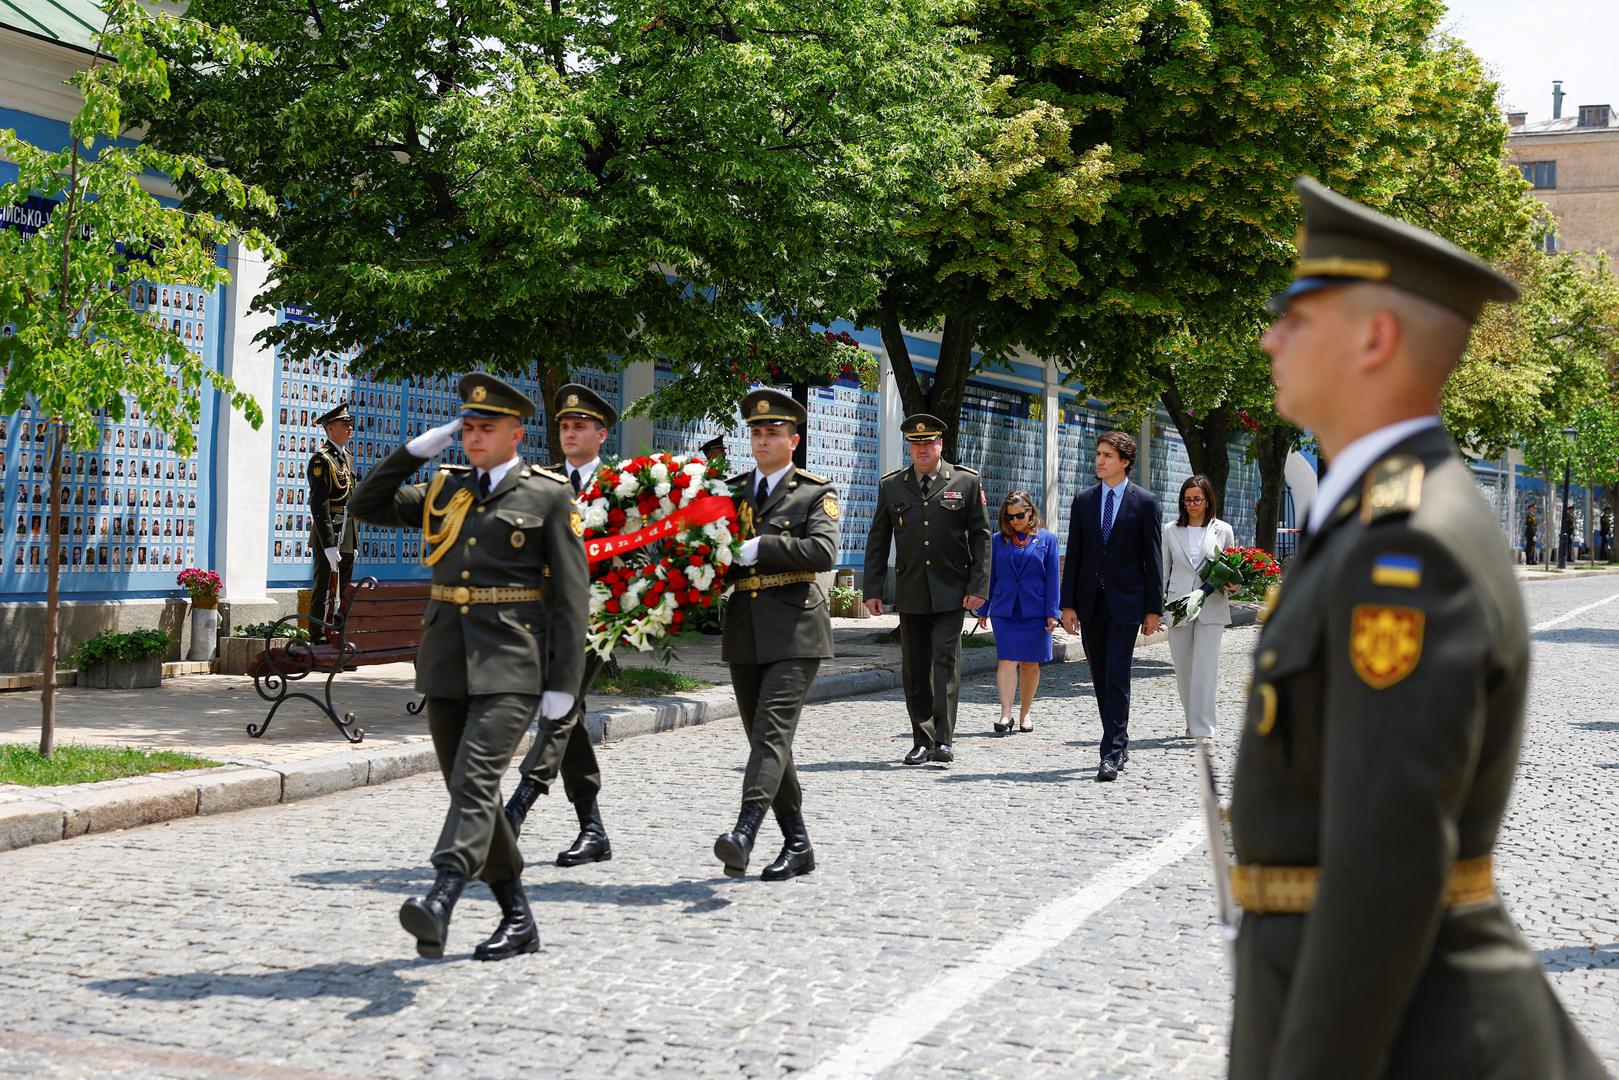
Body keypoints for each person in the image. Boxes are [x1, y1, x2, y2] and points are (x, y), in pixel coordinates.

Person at [1229, 177, 1605, 1077]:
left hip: (1409, 1031)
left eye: (1294, 313)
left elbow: (1387, 865)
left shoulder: (1407, 547)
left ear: (1374, 336)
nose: (1269, 335)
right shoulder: (1372, 516)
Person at [348, 374, 589, 962]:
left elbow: (571, 598)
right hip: (447, 659)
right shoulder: (444, 488)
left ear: (517, 433)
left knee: (477, 782)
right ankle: (518, 918)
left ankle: (441, 895)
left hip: (512, 661)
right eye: (469, 428)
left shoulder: (549, 495)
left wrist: (564, 686)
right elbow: (364, 504)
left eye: (488, 428)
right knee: (468, 789)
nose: (475, 438)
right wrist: (410, 453)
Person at [713, 388, 838, 880]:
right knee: (768, 742)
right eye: (757, 433)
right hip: (745, 630)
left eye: (773, 433)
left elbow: (822, 553)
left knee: (770, 735)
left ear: (794, 440)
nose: (763, 441)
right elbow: (716, 558)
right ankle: (799, 844)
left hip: (796, 630)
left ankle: (744, 831)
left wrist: (764, 545)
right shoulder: (733, 490)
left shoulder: (814, 492)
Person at [504, 382, 618, 867]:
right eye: (564, 426)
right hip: (543, 616)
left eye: (580, 426)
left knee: (559, 707)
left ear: (601, 434)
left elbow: (638, 556)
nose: (570, 433)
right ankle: (593, 830)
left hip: (594, 618)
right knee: (568, 719)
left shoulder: (625, 487)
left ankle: (515, 811)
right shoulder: (541, 482)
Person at [861, 414, 990, 765]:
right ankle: (922, 738)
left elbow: (981, 538)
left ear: (940, 445)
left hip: (952, 590)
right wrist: (872, 588)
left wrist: (979, 586)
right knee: (915, 668)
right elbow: (878, 540)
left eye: (928, 442)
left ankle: (944, 739)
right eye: (915, 444)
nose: (921, 449)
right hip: (911, 589)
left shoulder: (964, 481)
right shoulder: (893, 486)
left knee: (945, 663)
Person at [1059, 430, 1163, 782]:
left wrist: (1154, 609)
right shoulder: (1084, 500)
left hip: (1126, 603)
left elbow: (1153, 558)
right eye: (1098, 454)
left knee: (1117, 675)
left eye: (1107, 455)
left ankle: (1112, 751)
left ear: (1125, 462)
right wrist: (1067, 604)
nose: (1099, 461)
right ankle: (1119, 738)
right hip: (1091, 603)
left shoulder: (1145, 502)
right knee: (1100, 676)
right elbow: (1075, 555)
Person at [975, 490, 1060, 734]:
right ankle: (1005, 714)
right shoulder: (997, 539)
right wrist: (984, 607)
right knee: (1006, 660)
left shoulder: (1047, 540)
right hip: (1005, 610)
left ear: (1031, 512)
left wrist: (1052, 613)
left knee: (1031, 664)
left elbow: (1053, 579)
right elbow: (990, 576)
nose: (1014, 521)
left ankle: (1025, 713)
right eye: (1009, 517)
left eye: (1019, 516)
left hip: (1035, 610)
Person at [1161, 474, 1236, 741]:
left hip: (1212, 604)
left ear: (1207, 500)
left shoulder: (1223, 529)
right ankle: (1191, 720)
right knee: (1183, 667)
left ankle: (1202, 726)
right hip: (1179, 604)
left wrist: (1233, 585)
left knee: (1206, 667)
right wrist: (1158, 608)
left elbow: (1231, 568)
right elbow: (1163, 569)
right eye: (1187, 499)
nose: (1191, 504)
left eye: (1197, 499)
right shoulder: (1170, 530)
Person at [307, 403, 357, 641]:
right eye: (344, 424)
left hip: (347, 532)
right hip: (329, 532)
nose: (349, 428)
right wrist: (328, 544)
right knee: (324, 587)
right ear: (330, 429)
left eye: (349, 423)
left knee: (344, 590)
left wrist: (354, 540)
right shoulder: (321, 460)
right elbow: (319, 504)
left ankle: (338, 636)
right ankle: (317, 635)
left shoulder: (347, 456)